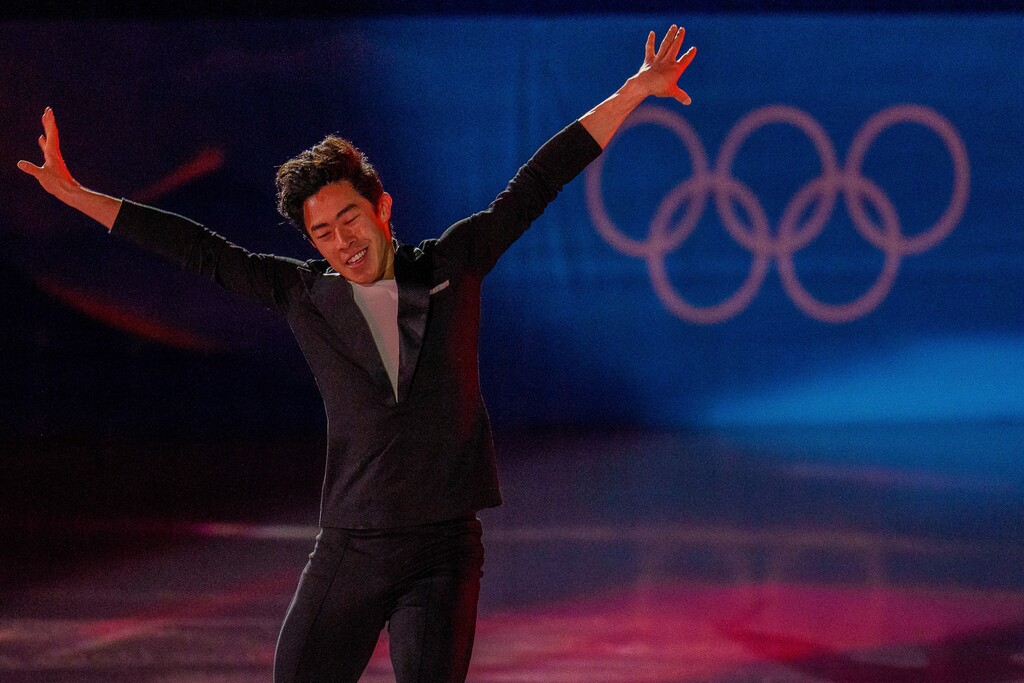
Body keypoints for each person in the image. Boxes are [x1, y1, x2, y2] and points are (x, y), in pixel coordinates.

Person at [19, 25, 696, 683]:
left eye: (349, 219)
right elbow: (199, 249)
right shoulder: (302, 294)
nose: (342, 242)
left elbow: (539, 181)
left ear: (382, 208)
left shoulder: (452, 264)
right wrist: (78, 196)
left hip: (443, 550)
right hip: (351, 546)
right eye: (323, 232)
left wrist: (634, 90)